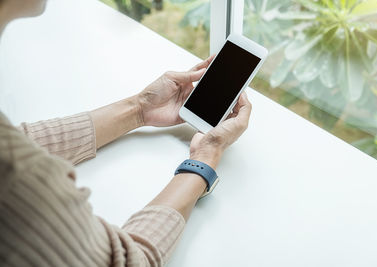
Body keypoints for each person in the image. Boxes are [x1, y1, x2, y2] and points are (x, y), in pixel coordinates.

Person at [0, 0, 252, 266]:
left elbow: (15, 141)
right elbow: (125, 262)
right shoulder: (17, 187)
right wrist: (205, 157)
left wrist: (139, 109)